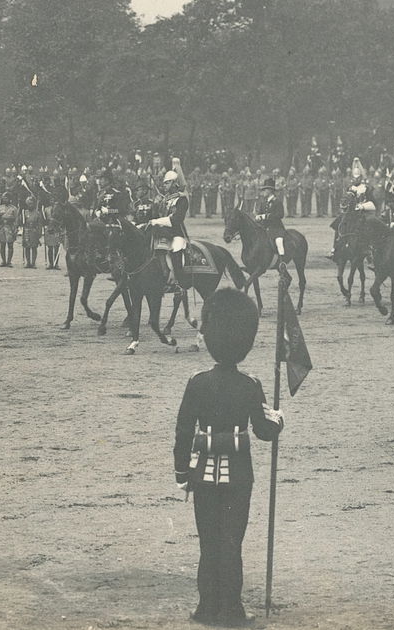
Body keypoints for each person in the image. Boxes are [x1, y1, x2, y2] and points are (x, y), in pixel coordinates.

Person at [173, 288, 285, 627]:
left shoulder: (197, 382)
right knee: (232, 542)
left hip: (202, 476)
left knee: (208, 542)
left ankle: (206, 606)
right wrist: (278, 420)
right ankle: (231, 609)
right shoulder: (250, 385)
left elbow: (183, 431)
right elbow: (263, 431)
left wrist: (181, 473)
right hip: (238, 476)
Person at [148, 169, 193, 290]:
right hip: (162, 232)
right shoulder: (164, 199)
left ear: (174, 183)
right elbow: (156, 215)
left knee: (176, 253)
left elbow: (176, 219)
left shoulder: (182, 199)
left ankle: (178, 283)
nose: (164, 185)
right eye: (164, 183)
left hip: (176, 233)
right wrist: (155, 206)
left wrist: (157, 221)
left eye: (167, 183)